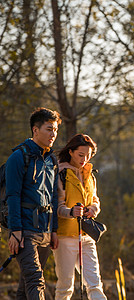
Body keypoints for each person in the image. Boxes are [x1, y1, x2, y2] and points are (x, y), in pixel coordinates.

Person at [6, 107, 61, 299]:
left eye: (55, 129)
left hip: (45, 232)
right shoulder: (19, 157)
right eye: (49, 129)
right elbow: (12, 196)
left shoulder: (52, 159)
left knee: (25, 286)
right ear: (35, 130)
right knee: (35, 280)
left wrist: (54, 230)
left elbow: (53, 197)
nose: (53, 134)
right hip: (25, 231)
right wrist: (15, 230)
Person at [53, 133, 107, 300]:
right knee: (65, 286)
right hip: (65, 237)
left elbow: (95, 200)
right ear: (71, 152)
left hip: (86, 235)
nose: (84, 159)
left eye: (88, 155)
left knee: (95, 283)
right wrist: (70, 212)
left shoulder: (89, 174)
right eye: (80, 155)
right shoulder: (60, 173)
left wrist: (93, 209)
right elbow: (57, 207)